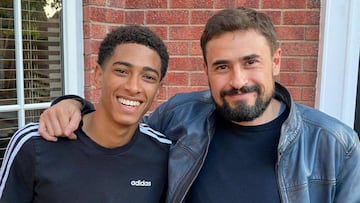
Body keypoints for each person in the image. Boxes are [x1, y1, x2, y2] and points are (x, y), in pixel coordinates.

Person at [38, 7, 360, 203]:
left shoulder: (334, 145)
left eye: (251, 63)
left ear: (276, 61)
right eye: (222, 67)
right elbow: (121, 133)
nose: (237, 80)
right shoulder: (180, 116)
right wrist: (74, 105)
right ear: (205, 69)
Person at [0, 25, 171, 202]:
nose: (133, 87)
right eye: (121, 71)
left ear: (158, 89)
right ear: (98, 75)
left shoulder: (164, 154)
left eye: (148, 77)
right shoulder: (35, 144)